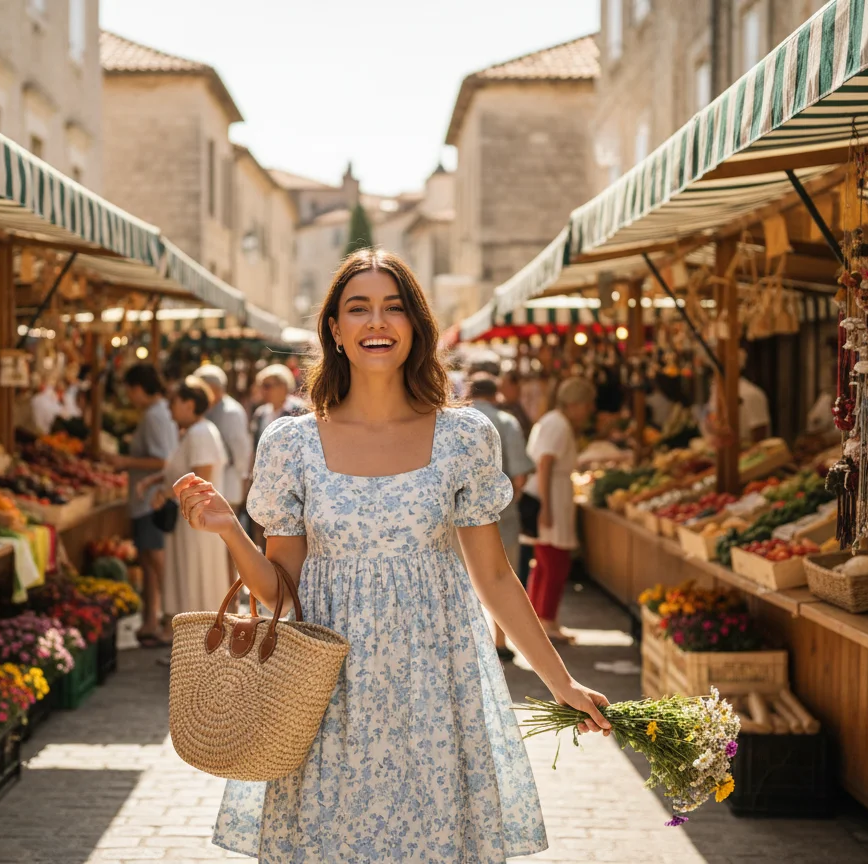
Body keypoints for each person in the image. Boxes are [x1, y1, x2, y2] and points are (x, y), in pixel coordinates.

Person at [174, 248, 610, 862]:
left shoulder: (464, 437)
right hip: (326, 694)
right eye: (359, 308)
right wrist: (228, 530)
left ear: (415, 325)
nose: (377, 322)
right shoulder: (291, 444)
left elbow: (493, 576)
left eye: (393, 307)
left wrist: (560, 683)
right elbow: (278, 594)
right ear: (335, 329)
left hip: (434, 688)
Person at [137, 377, 231, 620]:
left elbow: (200, 478)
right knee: (188, 578)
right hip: (191, 521)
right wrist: (155, 481)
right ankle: (190, 636)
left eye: (173, 403)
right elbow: (182, 469)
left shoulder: (201, 433)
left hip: (199, 523)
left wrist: (165, 493)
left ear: (189, 404)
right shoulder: (194, 432)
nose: (169, 410)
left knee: (195, 579)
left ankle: (199, 637)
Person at [105, 363, 179, 648]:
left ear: (137, 388)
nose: (128, 396)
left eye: (128, 390)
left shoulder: (154, 416)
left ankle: (169, 621)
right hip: (146, 500)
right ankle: (152, 620)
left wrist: (124, 461)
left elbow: (162, 460)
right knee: (148, 562)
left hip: (151, 500)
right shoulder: (156, 413)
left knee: (156, 562)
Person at [523, 376, 597, 645]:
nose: (589, 411)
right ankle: (546, 620)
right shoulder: (557, 424)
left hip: (552, 494)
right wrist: (546, 506)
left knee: (546, 561)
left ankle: (541, 618)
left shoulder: (553, 421)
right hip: (550, 495)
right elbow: (545, 463)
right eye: (586, 405)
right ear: (575, 404)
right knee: (554, 562)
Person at [468, 372, 535, 662]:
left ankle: (471, 641)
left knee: (465, 578)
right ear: (495, 394)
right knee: (501, 575)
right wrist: (511, 500)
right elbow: (519, 475)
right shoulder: (506, 422)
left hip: (456, 519)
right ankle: (500, 641)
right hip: (500, 514)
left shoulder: (451, 422)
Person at [191, 364, 252, 513]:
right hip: (214, 483)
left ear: (213, 387)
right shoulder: (210, 408)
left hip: (228, 484)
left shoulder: (231, 412)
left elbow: (241, 451)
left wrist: (243, 480)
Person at [704, 348, 771, 446]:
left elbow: (759, 437)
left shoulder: (751, 394)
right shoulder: (716, 391)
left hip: (743, 453)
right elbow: (710, 418)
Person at [249, 363, 306, 447]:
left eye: (267, 386)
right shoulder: (260, 413)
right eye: (261, 386)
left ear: (283, 386)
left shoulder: (300, 410)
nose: (263, 391)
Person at [499, 367, 533, 440]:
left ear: (515, 386)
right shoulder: (503, 406)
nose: (502, 390)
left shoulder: (527, 404)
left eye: (505, 386)